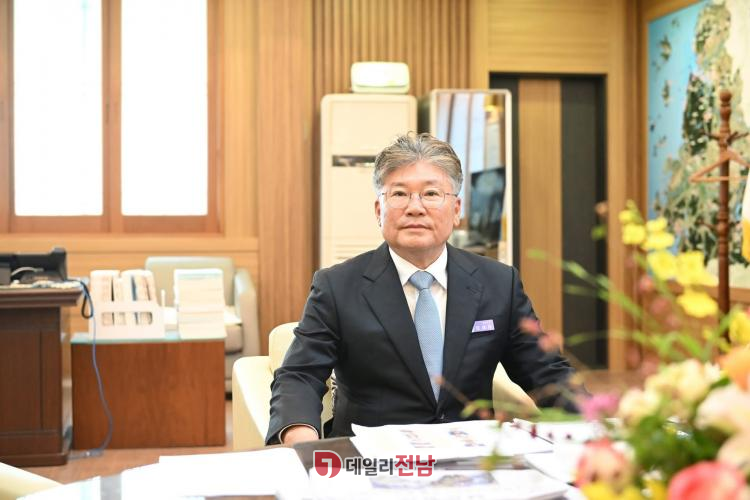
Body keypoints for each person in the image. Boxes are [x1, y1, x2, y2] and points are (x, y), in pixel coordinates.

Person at [267, 132, 577, 445]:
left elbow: (546, 372)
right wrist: (302, 441)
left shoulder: (498, 283)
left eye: (431, 193)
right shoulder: (337, 286)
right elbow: (300, 375)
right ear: (379, 210)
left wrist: (593, 428)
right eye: (399, 194)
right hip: (374, 457)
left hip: (468, 457)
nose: (415, 208)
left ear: (456, 210)